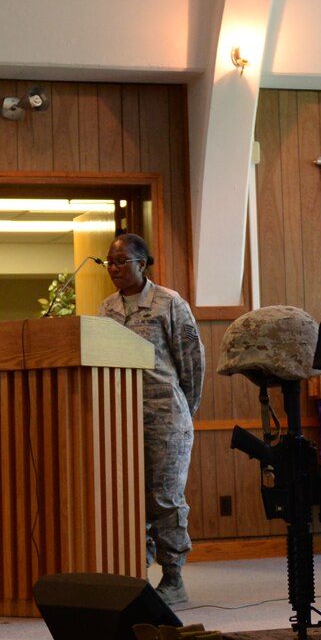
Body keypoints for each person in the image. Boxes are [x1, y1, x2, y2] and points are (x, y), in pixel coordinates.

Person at [97, 232, 205, 606]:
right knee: (127, 498)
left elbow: (192, 362)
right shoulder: (107, 309)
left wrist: (183, 409)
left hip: (166, 418)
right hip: (120, 420)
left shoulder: (168, 303)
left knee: (164, 498)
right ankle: (136, 575)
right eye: (109, 262)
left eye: (120, 262)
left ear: (142, 264)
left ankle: (173, 578)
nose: (113, 268)